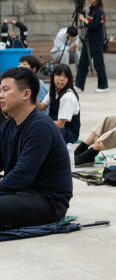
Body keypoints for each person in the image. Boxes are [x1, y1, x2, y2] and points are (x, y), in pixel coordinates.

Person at [0, 67, 72, 228]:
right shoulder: (8, 126)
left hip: (48, 201)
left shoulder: (40, 127)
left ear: (26, 94)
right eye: (0, 90)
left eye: (5, 90)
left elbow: (23, 174)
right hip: (20, 193)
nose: (1, 95)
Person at [35, 64, 81, 144]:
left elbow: (60, 125)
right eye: (59, 75)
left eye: (65, 76)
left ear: (69, 79)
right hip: (55, 127)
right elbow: (40, 107)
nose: (62, 79)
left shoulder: (67, 97)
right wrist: (33, 93)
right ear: (53, 76)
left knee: (41, 133)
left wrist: (40, 121)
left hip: (68, 132)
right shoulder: (54, 91)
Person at [75, 0, 108, 93]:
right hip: (88, 40)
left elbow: (94, 26)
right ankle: (79, 85)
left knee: (98, 64)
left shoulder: (99, 12)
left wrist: (84, 19)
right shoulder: (92, 10)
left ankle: (103, 86)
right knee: (82, 63)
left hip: (97, 41)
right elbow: (89, 25)